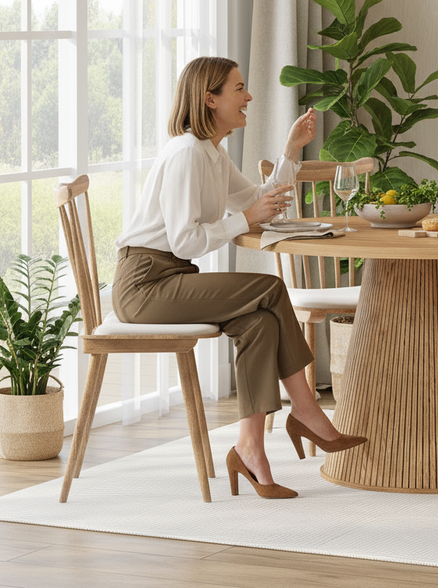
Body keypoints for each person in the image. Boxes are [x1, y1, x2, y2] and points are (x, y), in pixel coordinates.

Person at [112, 56, 366, 499]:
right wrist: (245, 218)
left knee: (260, 322)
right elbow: (187, 241)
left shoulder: (211, 151)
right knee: (269, 287)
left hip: (172, 277)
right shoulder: (187, 154)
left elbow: (257, 198)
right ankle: (306, 411)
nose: (248, 97)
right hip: (145, 284)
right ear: (210, 99)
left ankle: (249, 447)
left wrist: (289, 153)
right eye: (239, 89)